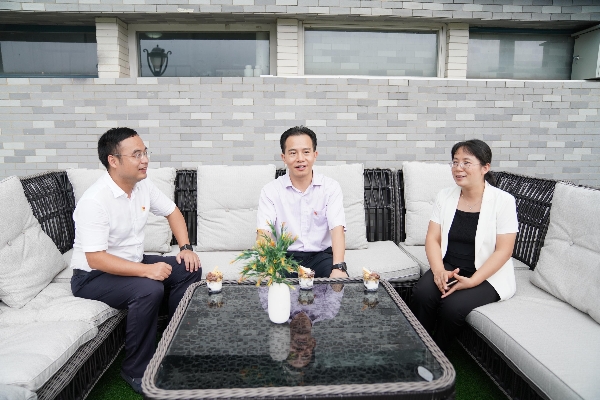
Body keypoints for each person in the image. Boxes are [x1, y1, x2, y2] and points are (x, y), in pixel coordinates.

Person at [70, 127, 203, 393]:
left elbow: (173, 211)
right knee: (148, 288)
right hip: (93, 276)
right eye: (136, 155)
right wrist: (145, 271)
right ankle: (136, 370)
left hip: (130, 262)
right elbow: (96, 259)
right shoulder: (95, 200)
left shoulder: (142, 185)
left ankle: (172, 342)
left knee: (188, 268)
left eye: (145, 152)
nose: (145, 160)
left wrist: (186, 248)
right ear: (113, 160)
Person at [410, 139, 518, 352]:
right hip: (450, 266)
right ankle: (416, 347)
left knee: (452, 307)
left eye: (466, 162)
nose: (458, 168)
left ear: (485, 168)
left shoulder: (503, 201)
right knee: (422, 293)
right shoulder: (445, 196)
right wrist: (439, 271)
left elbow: (504, 250)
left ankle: (437, 354)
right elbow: (432, 238)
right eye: (455, 162)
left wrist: (473, 281)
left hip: (487, 274)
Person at [256, 126, 348, 278]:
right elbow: (263, 233)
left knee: (338, 284)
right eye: (293, 153)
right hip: (284, 257)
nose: (300, 158)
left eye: (306, 152)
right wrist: (269, 268)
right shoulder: (270, 191)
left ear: (315, 155)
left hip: (321, 256)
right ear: (284, 157)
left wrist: (338, 267)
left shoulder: (331, 187)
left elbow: (337, 228)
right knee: (271, 285)